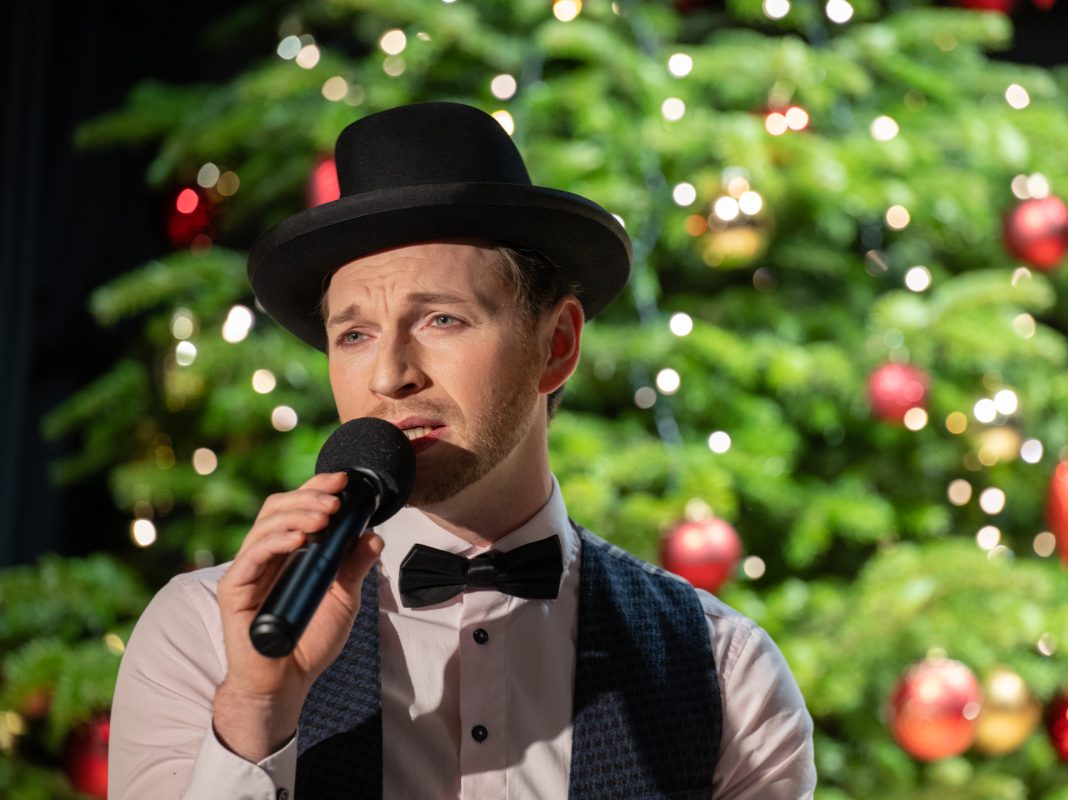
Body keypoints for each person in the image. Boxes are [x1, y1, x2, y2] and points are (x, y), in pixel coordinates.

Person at [109, 102, 816, 799]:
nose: (390, 376)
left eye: (441, 319)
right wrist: (255, 712)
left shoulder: (727, 673)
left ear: (556, 345)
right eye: (354, 335)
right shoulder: (201, 636)